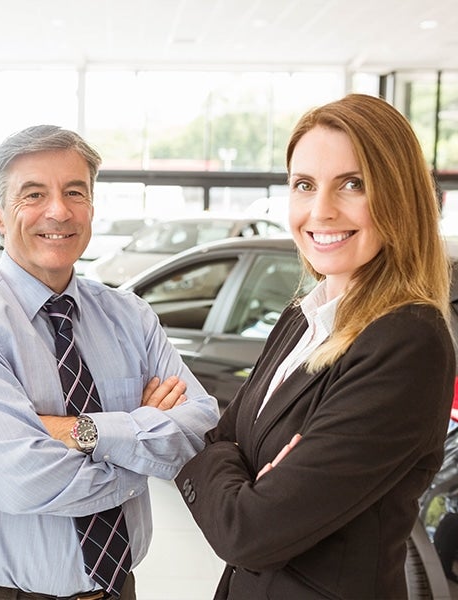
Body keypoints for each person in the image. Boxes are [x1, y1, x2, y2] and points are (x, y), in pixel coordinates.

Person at [0, 124, 219, 599]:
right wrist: (142, 448)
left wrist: (83, 432)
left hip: (118, 589)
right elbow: (19, 480)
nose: (58, 211)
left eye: (74, 192)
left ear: (92, 207)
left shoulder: (130, 315)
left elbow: (199, 430)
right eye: (33, 194)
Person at [174, 93, 455, 599]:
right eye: (304, 185)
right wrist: (234, 460)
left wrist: (228, 461)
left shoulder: (408, 341)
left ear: (400, 195)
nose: (320, 210)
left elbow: (248, 530)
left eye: (352, 184)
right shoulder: (302, 317)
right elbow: (223, 437)